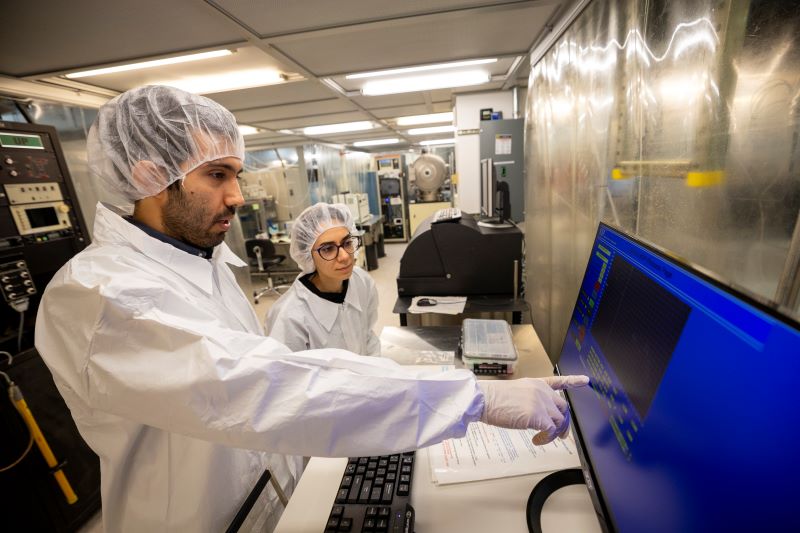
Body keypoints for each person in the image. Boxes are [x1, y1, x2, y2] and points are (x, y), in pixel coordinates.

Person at [34, 85, 589, 533]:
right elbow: (257, 386)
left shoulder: (204, 262)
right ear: (147, 174)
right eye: (217, 175)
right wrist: (475, 396)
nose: (237, 196)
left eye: (236, 175)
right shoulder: (98, 296)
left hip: (276, 495)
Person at [266, 203, 380, 355]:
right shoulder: (289, 317)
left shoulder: (362, 282)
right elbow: (288, 374)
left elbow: (368, 337)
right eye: (327, 249)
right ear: (307, 255)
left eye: (347, 243)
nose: (345, 256)